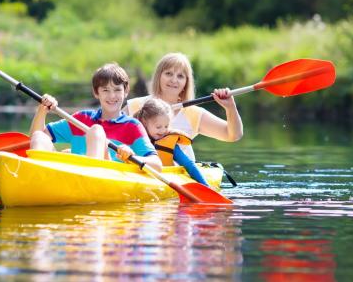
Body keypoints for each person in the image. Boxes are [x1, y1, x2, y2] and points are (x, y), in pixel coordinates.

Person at [30, 63, 162, 172]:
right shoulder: (82, 118)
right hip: (72, 177)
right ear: (96, 93)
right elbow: (38, 136)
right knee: (39, 136)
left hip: (105, 178)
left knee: (96, 131)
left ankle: (90, 175)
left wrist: (132, 156)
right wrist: (42, 110)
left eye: (117, 90)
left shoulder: (133, 126)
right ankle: (38, 176)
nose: (112, 96)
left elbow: (157, 165)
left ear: (125, 91)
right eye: (105, 90)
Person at [126, 52, 243, 160]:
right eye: (168, 73)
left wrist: (230, 108)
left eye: (180, 76)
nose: (174, 80)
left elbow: (233, 135)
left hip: (180, 173)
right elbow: (109, 128)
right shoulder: (136, 106)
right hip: (141, 168)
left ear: (186, 82)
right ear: (159, 76)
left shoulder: (193, 114)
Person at [134, 98, 209, 186]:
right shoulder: (136, 138)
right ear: (144, 122)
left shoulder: (169, 143)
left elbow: (188, 164)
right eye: (158, 127)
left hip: (164, 179)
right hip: (138, 176)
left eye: (166, 126)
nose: (163, 131)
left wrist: (206, 186)